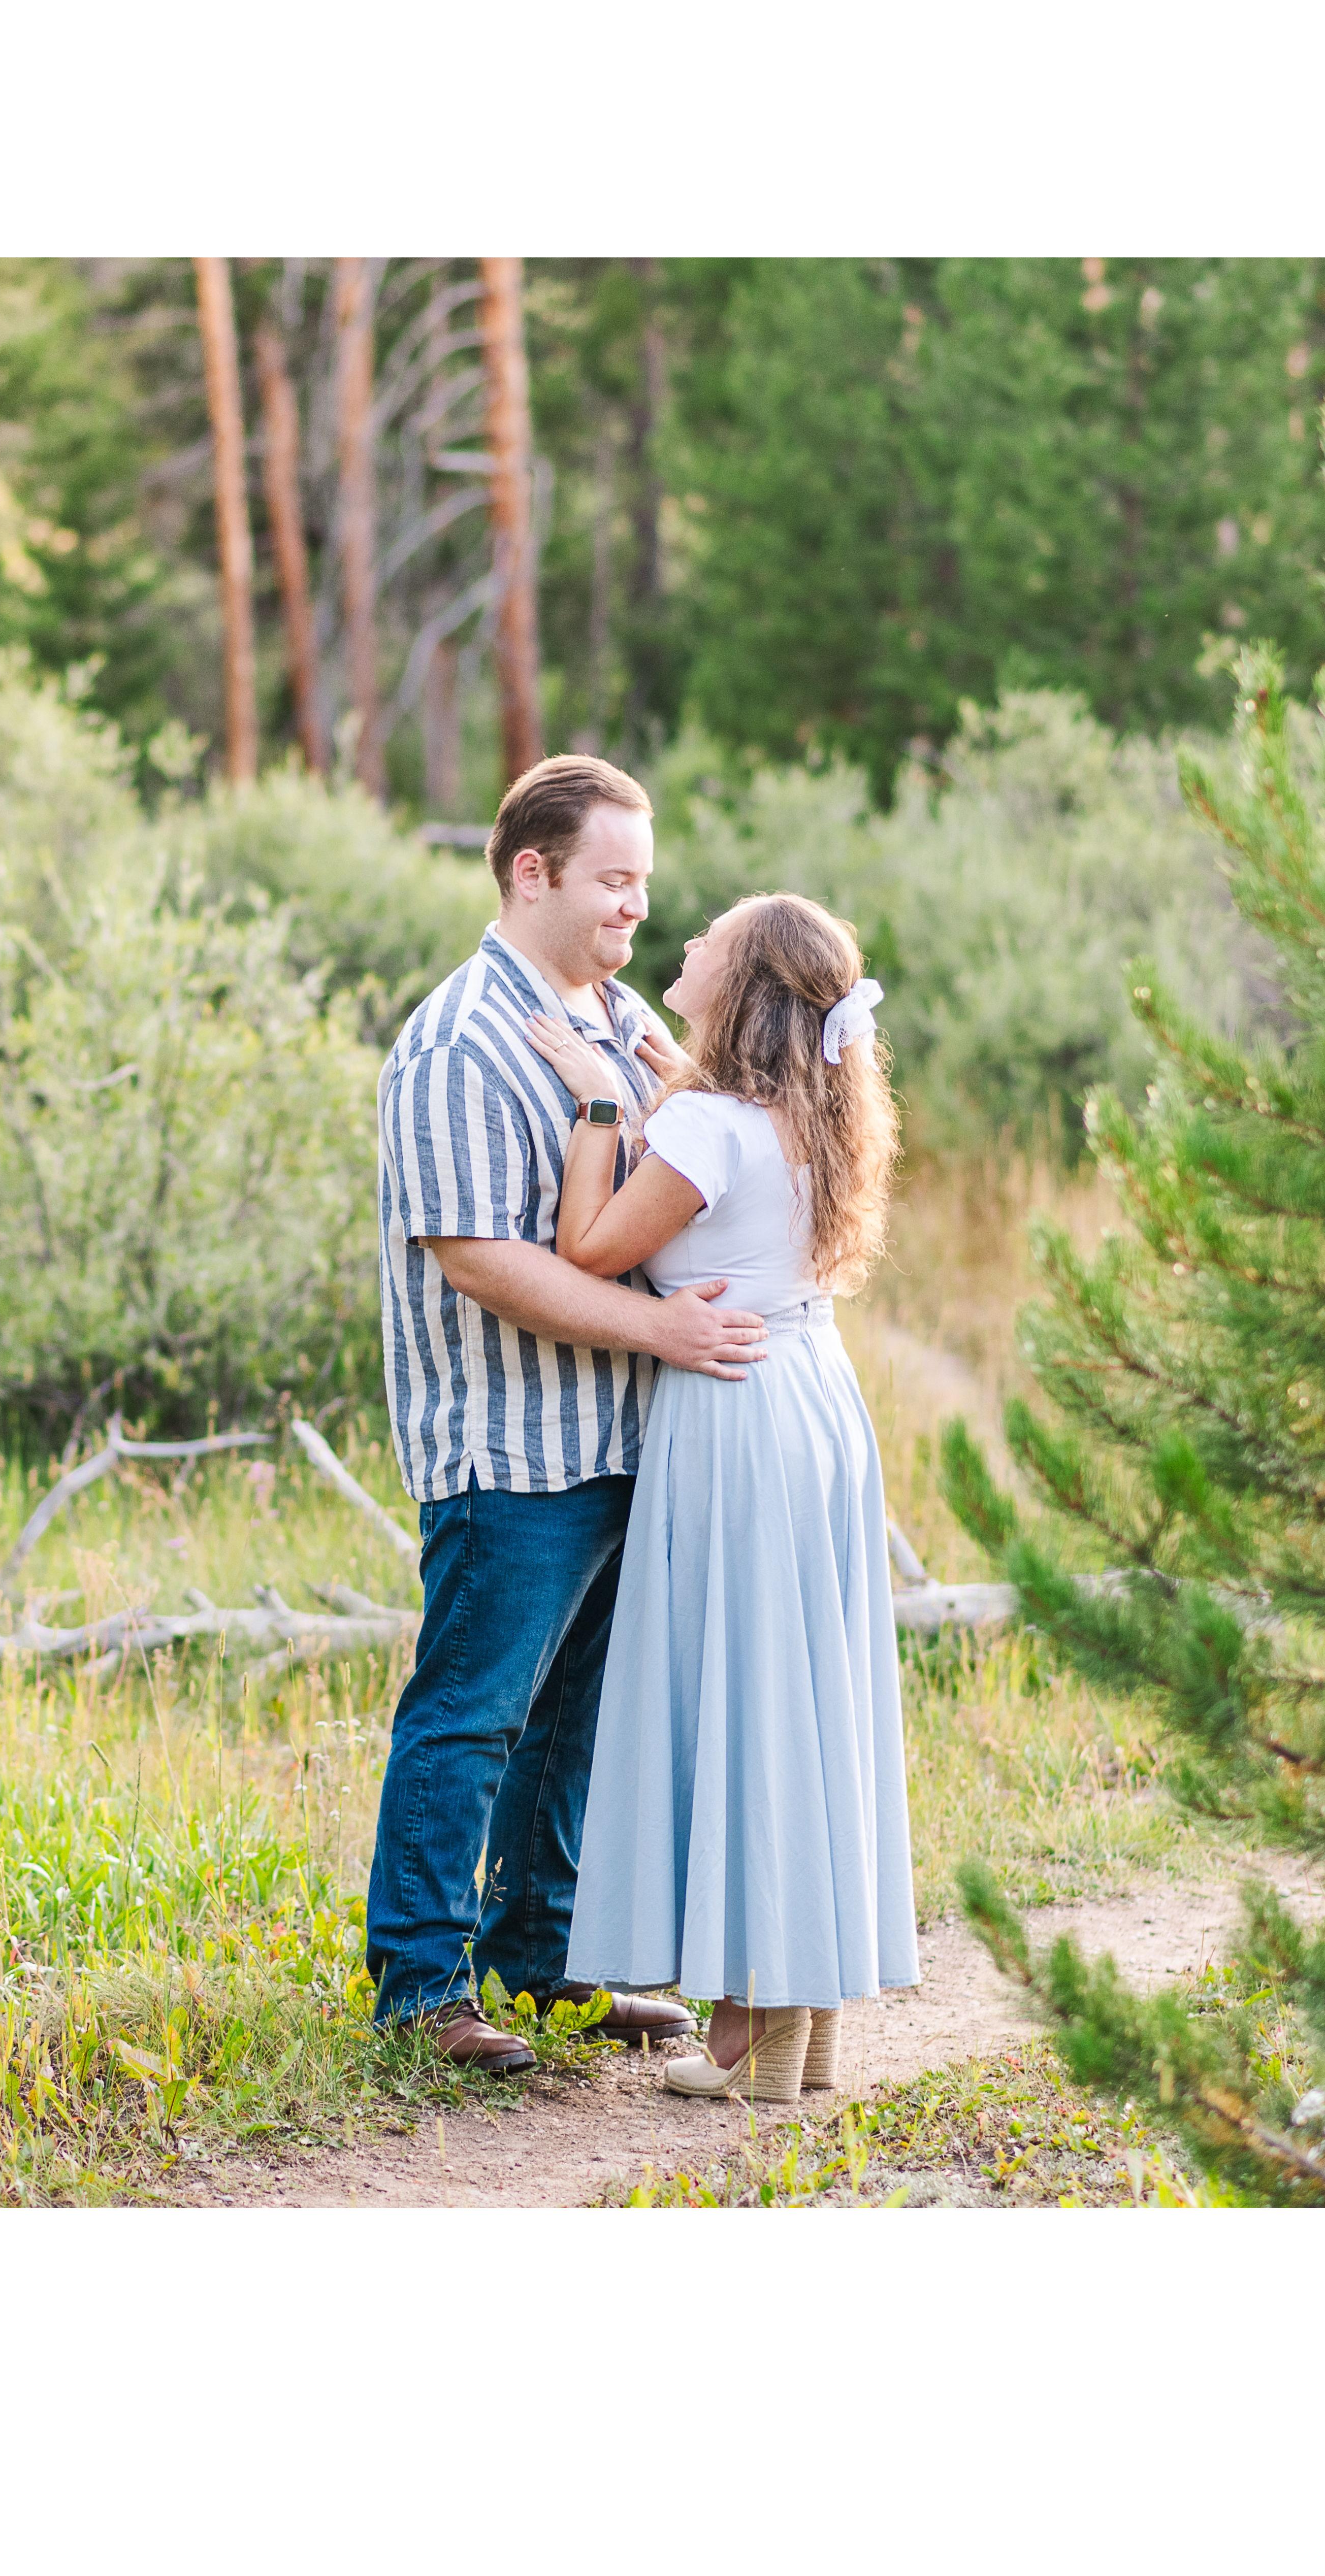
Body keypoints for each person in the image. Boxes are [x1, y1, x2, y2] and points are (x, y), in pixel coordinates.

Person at [366, 756, 768, 2074]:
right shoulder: (459, 1041)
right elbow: (479, 1258)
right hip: (511, 1444)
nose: (634, 906)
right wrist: (663, 1329)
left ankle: (538, 1961)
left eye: (643, 882)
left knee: (573, 1722)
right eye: (612, 879)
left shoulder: (618, 1017)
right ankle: (420, 1987)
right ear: (530, 871)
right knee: (471, 1712)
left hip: (625, 1437)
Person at [523, 890, 918, 2102]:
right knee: (799, 1697)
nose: (685, 943)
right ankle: (802, 2008)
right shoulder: (809, 1111)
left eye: (711, 938)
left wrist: (599, 1105)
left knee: (742, 1697)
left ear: (739, 985)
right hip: (812, 1395)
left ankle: (755, 2019)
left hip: (733, 1411)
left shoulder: (704, 1120)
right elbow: (730, 1198)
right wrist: (663, 1085)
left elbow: (588, 1248)